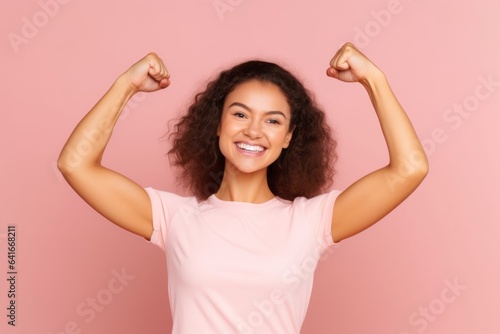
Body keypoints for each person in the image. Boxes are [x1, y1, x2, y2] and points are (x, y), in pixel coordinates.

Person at [57, 42, 428, 333]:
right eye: (239, 114)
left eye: (273, 120)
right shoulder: (173, 218)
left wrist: (373, 79)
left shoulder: (312, 221)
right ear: (216, 124)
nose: (253, 130)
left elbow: (409, 168)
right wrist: (127, 86)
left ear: (288, 138)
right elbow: (75, 164)